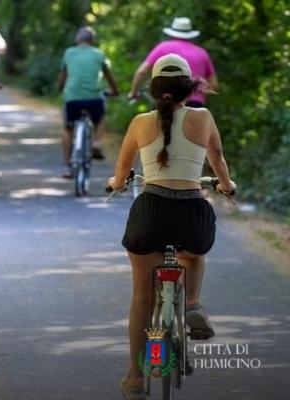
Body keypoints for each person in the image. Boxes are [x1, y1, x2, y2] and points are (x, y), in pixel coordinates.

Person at [109, 54, 236, 399]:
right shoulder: (203, 116)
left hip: (151, 213)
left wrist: (117, 182)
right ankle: (193, 302)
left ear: (153, 89)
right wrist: (226, 184)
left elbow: (122, 170)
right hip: (191, 214)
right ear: (188, 88)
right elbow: (218, 158)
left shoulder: (139, 123)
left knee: (141, 297)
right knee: (193, 255)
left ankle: (136, 376)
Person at [57, 26, 119, 178]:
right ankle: (96, 143)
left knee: (67, 129)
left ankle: (66, 166)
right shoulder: (99, 54)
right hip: (93, 98)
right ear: (92, 40)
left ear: (77, 39)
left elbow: (62, 78)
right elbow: (109, 76)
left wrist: (60, 89)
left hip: (72, 99)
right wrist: (115, 91)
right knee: (100, 117)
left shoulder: (69, 53)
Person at [129, 17, 218, 107]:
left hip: (168, 101)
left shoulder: (163, 47)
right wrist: (195, 91)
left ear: (172, 32)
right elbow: (213, 84)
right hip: (195, 104)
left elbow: (142, 71)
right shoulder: (202, 53)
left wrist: (133, 92)